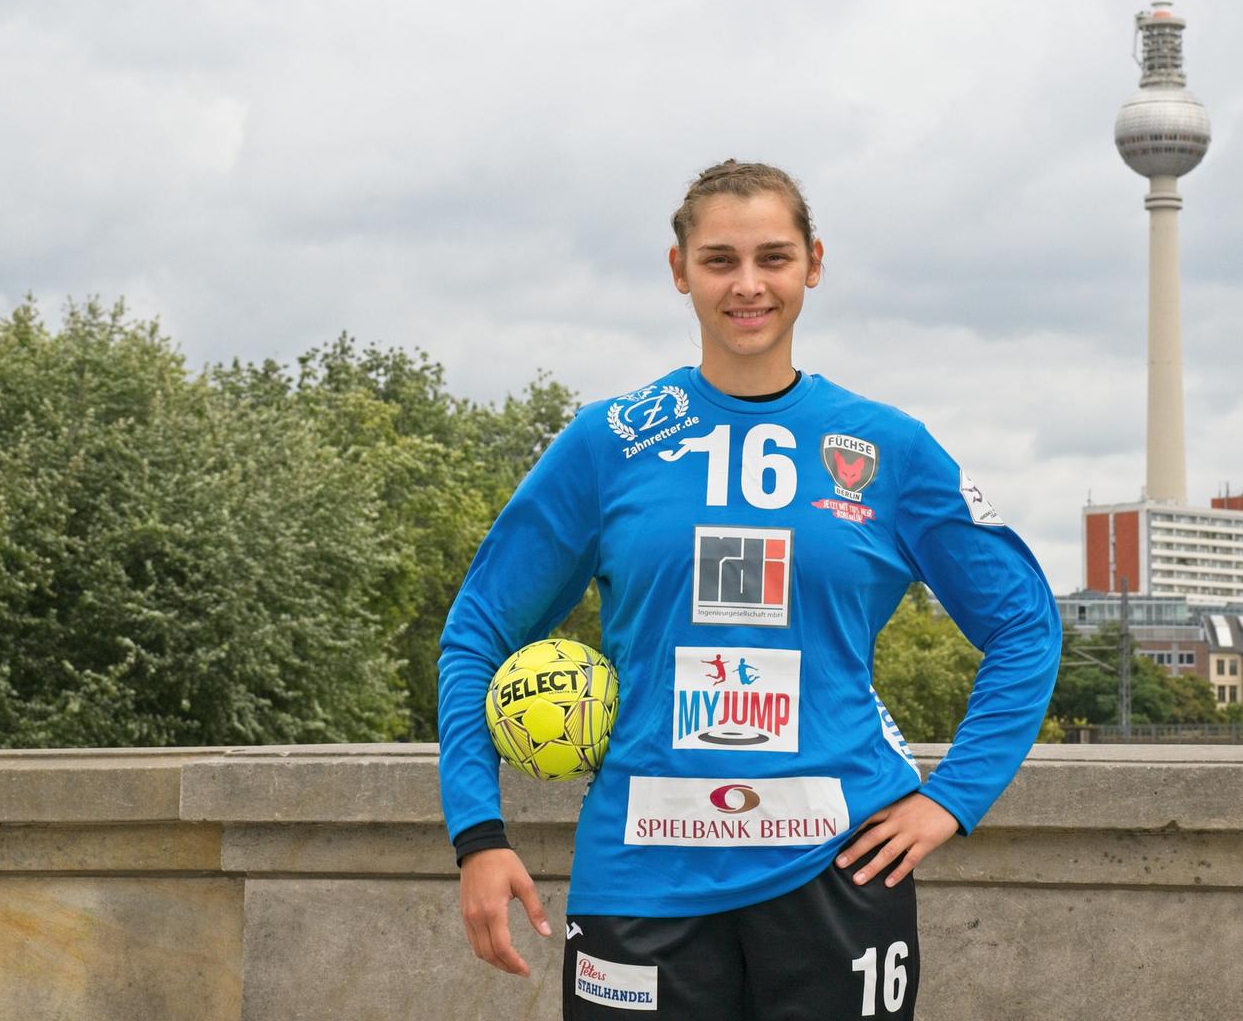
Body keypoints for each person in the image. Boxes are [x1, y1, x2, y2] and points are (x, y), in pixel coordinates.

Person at [437, 160, 1063, 1019]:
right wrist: (478, 834)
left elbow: (1025, 623)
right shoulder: (610, 441)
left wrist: (953, 797)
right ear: (678, 271)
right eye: (719, 260)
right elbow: (477, 629)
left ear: (813, 263)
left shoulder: (889, 447)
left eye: (772, 257)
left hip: (838, 874)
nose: (748, 285)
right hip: (643, 877)